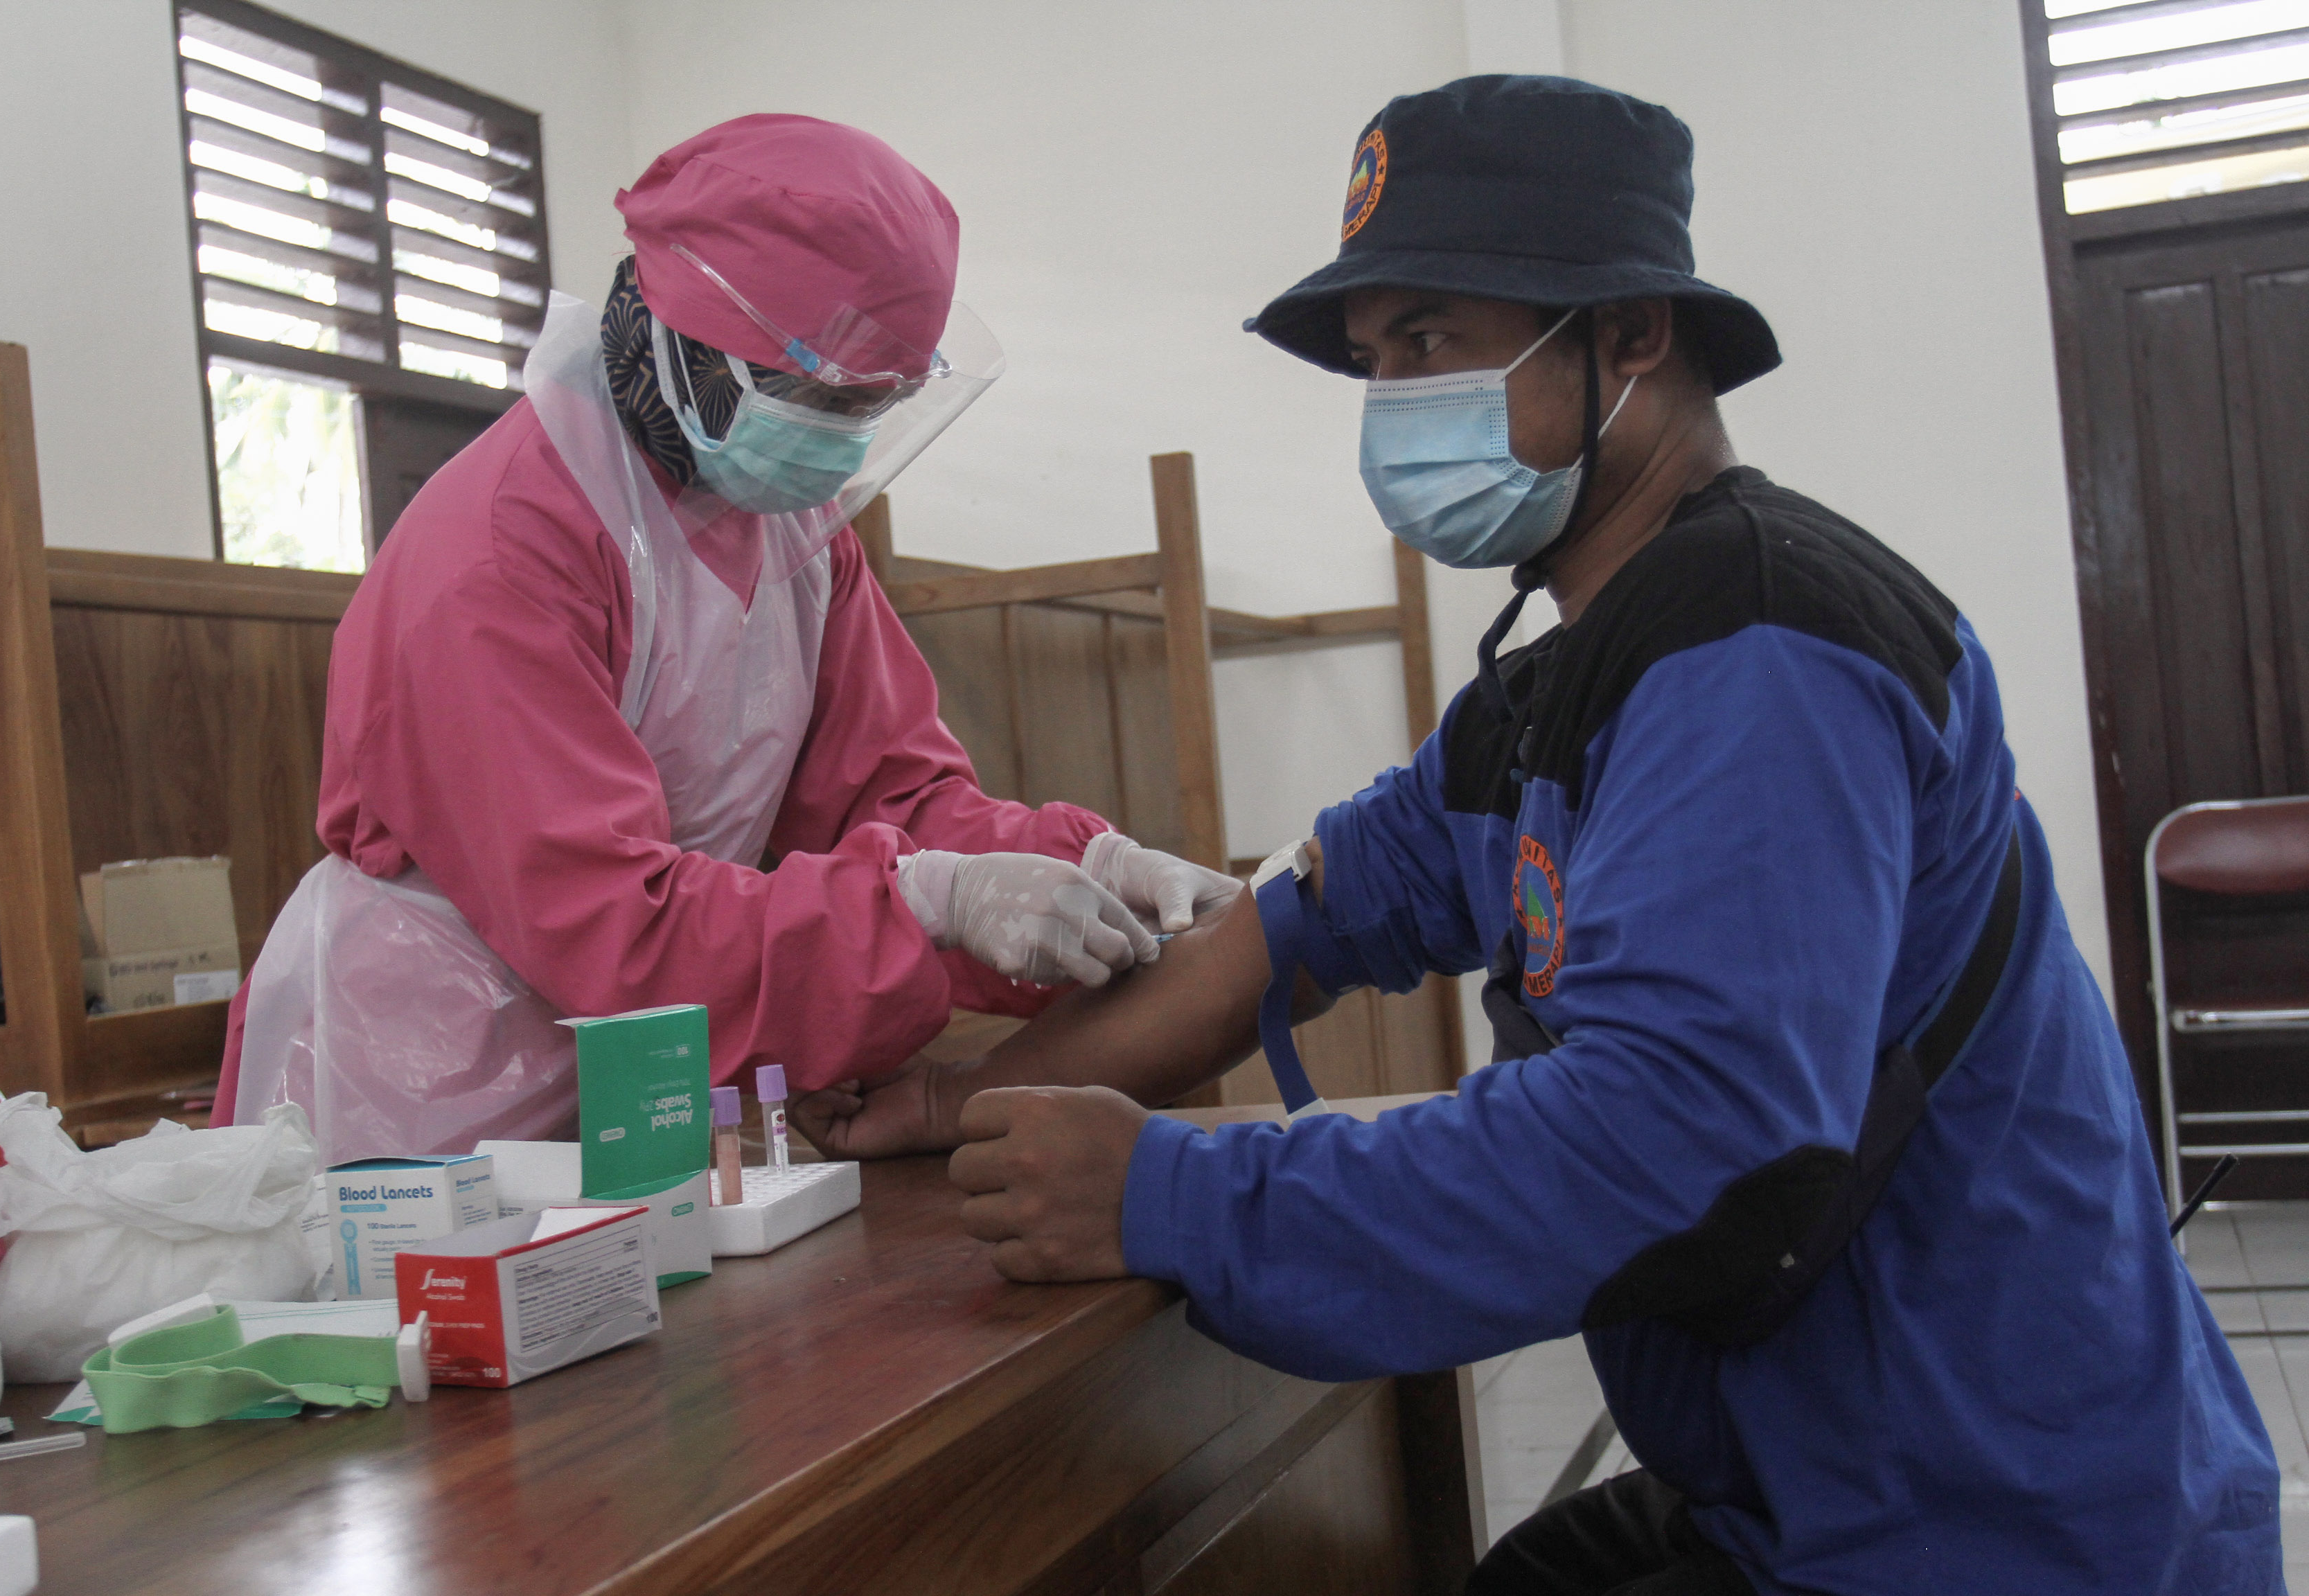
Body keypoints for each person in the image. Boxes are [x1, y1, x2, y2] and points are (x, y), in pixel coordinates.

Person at [798, 78, 2281, 1594]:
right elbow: (1289, 932)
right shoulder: (1551, 701)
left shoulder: (1764, 639)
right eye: (1375, 366)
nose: (1393, 408)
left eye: (1432, 342)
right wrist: (955, 1104)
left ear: (1631, 333)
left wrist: (1171, 1195)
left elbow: (1681, 1142)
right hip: (1805, 1494)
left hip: (2003, 1532)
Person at [213, 115, 1235, 1166]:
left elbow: (892, 797)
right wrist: (932, 905)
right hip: (423, 1093)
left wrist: (1085, 863)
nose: (838, 444)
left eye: (873, 406)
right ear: (682, 344)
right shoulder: (502, 549)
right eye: (818, 399)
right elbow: (614, 926)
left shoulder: (788, 530)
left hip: (646, 1068)